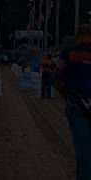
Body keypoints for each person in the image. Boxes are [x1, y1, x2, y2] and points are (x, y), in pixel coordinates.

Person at [55, 24, 91, 180]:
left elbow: (58, 79)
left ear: (78, 36)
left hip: (76, 106)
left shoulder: (68, 52)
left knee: (83, 149)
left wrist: (67, 98)